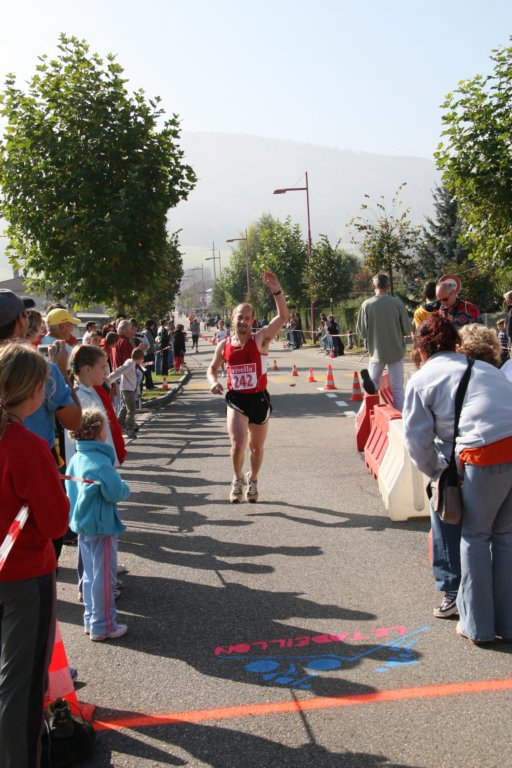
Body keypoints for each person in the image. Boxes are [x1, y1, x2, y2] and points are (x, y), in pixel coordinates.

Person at [403, 314, 512, 643]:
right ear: (455, 342)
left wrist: (437, 472)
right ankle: (508, 624)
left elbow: (416, 442)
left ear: (421, 348)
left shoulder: (423, 379)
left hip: (482, 453)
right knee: (506, 537)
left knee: (474, 536)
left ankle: (476, 626)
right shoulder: (484, 368)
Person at [0, 342, 70, 768]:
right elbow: (57, 522)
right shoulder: (27, 446)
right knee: (21, 685)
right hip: (24, 576)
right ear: (34, 392)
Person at [207, 271, 289, 503]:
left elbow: (283, 317)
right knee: (238, 444)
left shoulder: (260, 339)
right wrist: (213, 382)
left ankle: (253, 479)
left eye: (247, 318)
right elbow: (212, 368)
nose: (243, 321)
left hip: (259, 399)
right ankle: (237, 478)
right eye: (239, 317)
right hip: (236, 399)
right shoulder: (224, 345)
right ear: (232, 319)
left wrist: (276, 290)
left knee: (256, 449)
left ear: (252, 321)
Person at [66, 408, 130, 642]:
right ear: (99, 432)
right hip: (101, 525)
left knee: (90, 575)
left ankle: (90, 619)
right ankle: (103, 625)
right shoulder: (101, 463)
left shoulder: (76, 459)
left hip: (82, 524)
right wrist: (126, 487)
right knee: (104, 578)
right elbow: (116, 492)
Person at [356, 273, 412, 411]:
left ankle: (371, 397)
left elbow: (362, 333)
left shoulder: (366, 305)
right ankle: (401, 416)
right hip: (396, 351)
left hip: (376, 352)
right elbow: (407, 329)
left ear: (373, 286)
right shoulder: (397, 303)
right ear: (388, 286)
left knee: (373, 385)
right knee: (397, 388)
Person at [110, 347, 145, 439]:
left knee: (125, 408)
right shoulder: (130, 364)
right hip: (127, 389)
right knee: (131, 409)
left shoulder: (131, 363)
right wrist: (110, 378)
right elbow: (120, 370)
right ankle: (128, 428)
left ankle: (119, 425)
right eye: (142, 358)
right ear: (139, 358)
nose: (142, 360)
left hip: (128, 388)